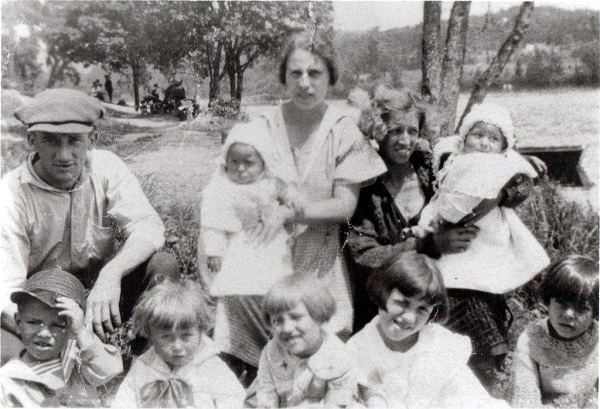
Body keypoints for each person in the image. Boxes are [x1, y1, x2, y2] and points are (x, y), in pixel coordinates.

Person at [210, 30, 386, 381]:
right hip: (261, 255)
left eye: (315, 73)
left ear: (331, 78)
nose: (305, 83)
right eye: (296, 73)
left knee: (321, 367)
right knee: (259, 362)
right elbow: (224, 186)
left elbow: (344, 207)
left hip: (318, 261)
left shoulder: (343, 129)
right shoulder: (261, 126)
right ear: (284, 77)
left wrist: (293, 211)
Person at [1, 88, 179, 364]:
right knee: (7, 358)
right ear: (31, 139)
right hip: (44, 305)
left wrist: (112, 274)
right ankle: (57, 367)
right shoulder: (11, 194)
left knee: (162, 266)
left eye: (74, 141)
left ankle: (147, 365)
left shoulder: (107, 167)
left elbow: (148, 227)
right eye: (50, 141)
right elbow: (6, 290)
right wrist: (56, 331)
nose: (63, 155)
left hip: (101, 293)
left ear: (92, 139)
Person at [416, 103, 550, 382]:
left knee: (482, 283)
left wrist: (522, 163)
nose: (484, 143)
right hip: (451, 230)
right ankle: (480, 350)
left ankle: (491, 351)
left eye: (493, 138)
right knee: (458, 283)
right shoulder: (454, 156)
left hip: (484, 231)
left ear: (503, 145)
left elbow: (519, 171)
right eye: (478, 135)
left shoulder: (502, 162)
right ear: (465, 137)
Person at [347, 251, 507, 408]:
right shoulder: (360, 348)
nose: (409, 318)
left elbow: (468, 394)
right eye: (402, 303)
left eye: (422, 309)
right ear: (382, 293)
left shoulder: (438, 342)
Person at [0, 268, 123, 407]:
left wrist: (82, 332)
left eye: (58, 325)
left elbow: (110, 370)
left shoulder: (79, 360)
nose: (44, 333)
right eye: (33, 322)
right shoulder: (8, 379)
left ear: (72, 330)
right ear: (18, 323)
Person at [201, 121, 298, 296]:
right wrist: (214, 250)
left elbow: (290, 193)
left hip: (270, 239)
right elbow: (212, 222)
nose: (240, 169)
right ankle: (241, 303)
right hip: (237, 241)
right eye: (234, 162)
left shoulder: (270, 183)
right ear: (225, 161)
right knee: (238, 279)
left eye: (249, 163)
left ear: (263, 163)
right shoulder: (221, 186)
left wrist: (293, 201)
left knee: (274, 277)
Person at [113, 279, 245, 408]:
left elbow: (233, 398)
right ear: (151, 335)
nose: (177, 346)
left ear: (200, 331)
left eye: (186, 336)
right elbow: (124, 401)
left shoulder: (210, 367)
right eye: (167, 337)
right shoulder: (145, 366)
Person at [256, 276, 358, 408]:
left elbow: (336, 404)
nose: (287, 328)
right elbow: (266, 400)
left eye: (296, 317)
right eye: (277, 321)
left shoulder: (340, 356)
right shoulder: (270, 353)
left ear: (320, 317)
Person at [511, 256, 598, 408]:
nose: (569, 314)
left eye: (581, 308)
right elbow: (525, 399)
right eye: (562, 304)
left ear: (595, 313)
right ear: (548, 301)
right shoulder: (531, 340)